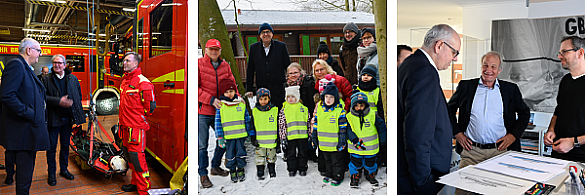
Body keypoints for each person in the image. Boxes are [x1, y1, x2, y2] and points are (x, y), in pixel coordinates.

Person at [447, 51, 530, 195]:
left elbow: (524, 113)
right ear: (481, 66)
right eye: (485, 65)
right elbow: (448, 110)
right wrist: (458, 133)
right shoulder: (466, 86)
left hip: (500, 153)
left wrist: (513, 135)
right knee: (463, 192)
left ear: (499, 70)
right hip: (471, 153)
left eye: (493, 66)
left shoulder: (510, 89)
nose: (488, 70)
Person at [397, 24, 460, 194]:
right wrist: (424, 183)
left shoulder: (411, 64)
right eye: (454, 52)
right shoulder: (425, 71)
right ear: (439, 46)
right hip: (417, 179)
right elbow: (417, 134)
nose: (454, 59)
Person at [0, 38, 50, 194]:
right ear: (29, 50)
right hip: (23, 134)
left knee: (25, 177)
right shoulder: (17, 65)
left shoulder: (25, 67)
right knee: (24, 179)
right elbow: (7, 95)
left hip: (26, 133)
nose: (39, 55)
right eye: (38, 51)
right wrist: (31, 114)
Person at [42, 54, 86, 186]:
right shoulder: (46, 79)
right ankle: (51, 173)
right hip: (53, 119)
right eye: (55, 63)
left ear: (64, 64)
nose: (57, 65)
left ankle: (64, 169)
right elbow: (42, 97)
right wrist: (59, 101)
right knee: (51, 148)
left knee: (66, 146)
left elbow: (78, 95)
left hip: (68, 119)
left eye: (60, 63)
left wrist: (78, 113)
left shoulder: (72, 78)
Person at [119, 52, 156, 195]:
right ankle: (134, 183)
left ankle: (143, 190)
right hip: (124, 128)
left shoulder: (143, 82)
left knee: (138, 160)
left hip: (135, 129)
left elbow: (150, 107)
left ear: (136, 63)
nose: (124, 63)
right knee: (129, 157)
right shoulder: (125, 81)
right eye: (124, 60)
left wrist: (137, 119)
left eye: (128, 61)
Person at [543, 36, 585, 162]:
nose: (559, 56)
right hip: (558, 155)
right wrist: (551, 130)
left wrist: (574, 142)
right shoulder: (565, 81)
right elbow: (558, 110)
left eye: (564, 52)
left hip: (581, 159)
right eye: (559, 53)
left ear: (580, 52)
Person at [198, 39, 232, 188]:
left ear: (220, 51)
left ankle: (215, 166)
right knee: (202, 146)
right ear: (205, 50)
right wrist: (210, 100)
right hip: (203, 111)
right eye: (211, 49)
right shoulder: (199, 64)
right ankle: (203, 175)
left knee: (223, 139)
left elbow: (232, 84)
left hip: (221, 111)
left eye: (216, 49)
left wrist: (236, 97)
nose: (214, 52)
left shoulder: (225, 66)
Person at [214, 78, 254, 183]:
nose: (229, 94)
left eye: (231, 91)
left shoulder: (241, 103)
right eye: (226, 92)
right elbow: (218, 122)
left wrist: (249, 132)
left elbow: (246, 119)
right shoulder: (221, 105)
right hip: (228, 136)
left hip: (241, 135)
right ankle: (232, 169)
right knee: (230, 154)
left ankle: (240, 168)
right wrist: (220, 137)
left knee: (241, 152)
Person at [246, 22, 291, 109]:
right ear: (260, 35)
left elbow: (288, 66)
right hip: (262, 89)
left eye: (268, 32)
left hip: (278, 88)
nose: (266, 34)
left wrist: (290, 83)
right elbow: (250, 70)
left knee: (279, 112)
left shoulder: (281, 47)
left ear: (272, 34)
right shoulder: (254, 48)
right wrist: (249, 89)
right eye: (263, 32)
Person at [346, 92, 386, 188]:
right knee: (355, 162)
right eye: (357, 106)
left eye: (362, 105)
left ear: (366, 105)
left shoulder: (372, 115)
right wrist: (353, 139)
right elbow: (347, 130)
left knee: (371, 162)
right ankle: (355, 175)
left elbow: (381, 127)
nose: (359, 108)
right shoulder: (349, 117)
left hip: (371, 147)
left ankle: (370, 174)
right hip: (355, 146)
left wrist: (384, 140)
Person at [311, 83, 347, 186]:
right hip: (323, 144)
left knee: (336, 161)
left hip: (335, 144)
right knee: (327, 160)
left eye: (331, 97)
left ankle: (338, 176)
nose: (328, 99)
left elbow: (343, 128)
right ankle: (329, 174)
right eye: (326, 96)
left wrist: (341, 141)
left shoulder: (339, 111)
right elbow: (316, 126)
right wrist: (314, 138)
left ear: (335, 98)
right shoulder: (320, 110)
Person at [284, 63, 318, 162]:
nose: (293, 75)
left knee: (307, 134)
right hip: (292, 114)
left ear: (301, 72)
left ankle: (310, 153)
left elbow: (311, 101)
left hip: (305, 112)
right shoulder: (286, 85)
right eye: (291, 73)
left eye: (295, 72)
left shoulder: (307, 82)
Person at [354, 65, 386, 167]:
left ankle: (378, 160)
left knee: (376, 141)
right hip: (358, 121)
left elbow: (381, 108)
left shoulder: (377, 91)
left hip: (374, 121)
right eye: (364, 75)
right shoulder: (356, 90)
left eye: (369, 75)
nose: (366, 77)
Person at [278, 86, 310, 177]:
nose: (290, 99)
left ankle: (302, 167)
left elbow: (308, 121)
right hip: (290, 136)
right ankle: (292, 168)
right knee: (291, 153)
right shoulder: (284, 109)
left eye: (293, 97)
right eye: (288, 97)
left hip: (302, 136)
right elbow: (282, 124)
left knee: (303, 153)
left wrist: (309, 133)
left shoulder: (303, 108)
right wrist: (283, 137)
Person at [250, 88, 278, 179]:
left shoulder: (274, 110)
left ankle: (271, 168)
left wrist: (279, 138)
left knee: (271, 155)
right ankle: (260, 169)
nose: (263, 101)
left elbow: (277, 124)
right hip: (260, 140)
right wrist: (253, 137)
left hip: (271, 140)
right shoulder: (255, 111)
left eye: (265, 99)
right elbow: (252, 126)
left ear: (269, 99)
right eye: (261, 99)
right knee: (260, 156)